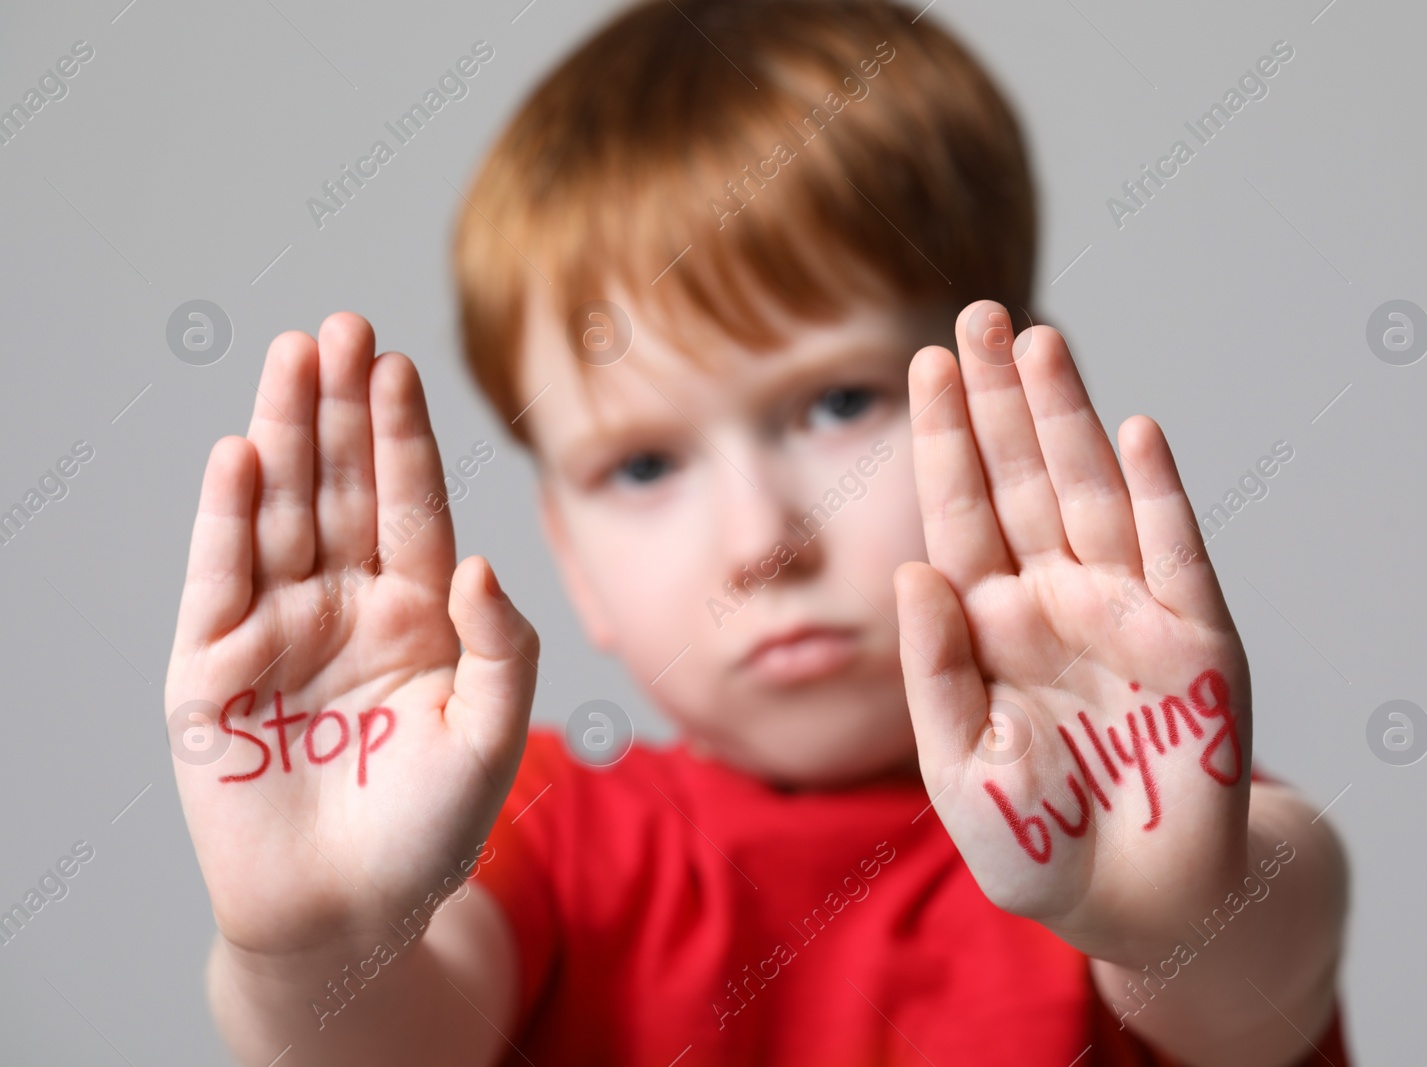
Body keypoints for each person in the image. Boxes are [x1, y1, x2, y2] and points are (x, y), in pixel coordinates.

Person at [166, 1, 1350, 1063]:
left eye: (837, 403)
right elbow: (396, 1040)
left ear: (1020, 423)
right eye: (640, 464)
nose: (763, 540)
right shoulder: (543, 841)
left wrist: (1178, 920)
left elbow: (1263, 948)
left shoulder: (1131, 804)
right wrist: (312, 953)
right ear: (567, 557)